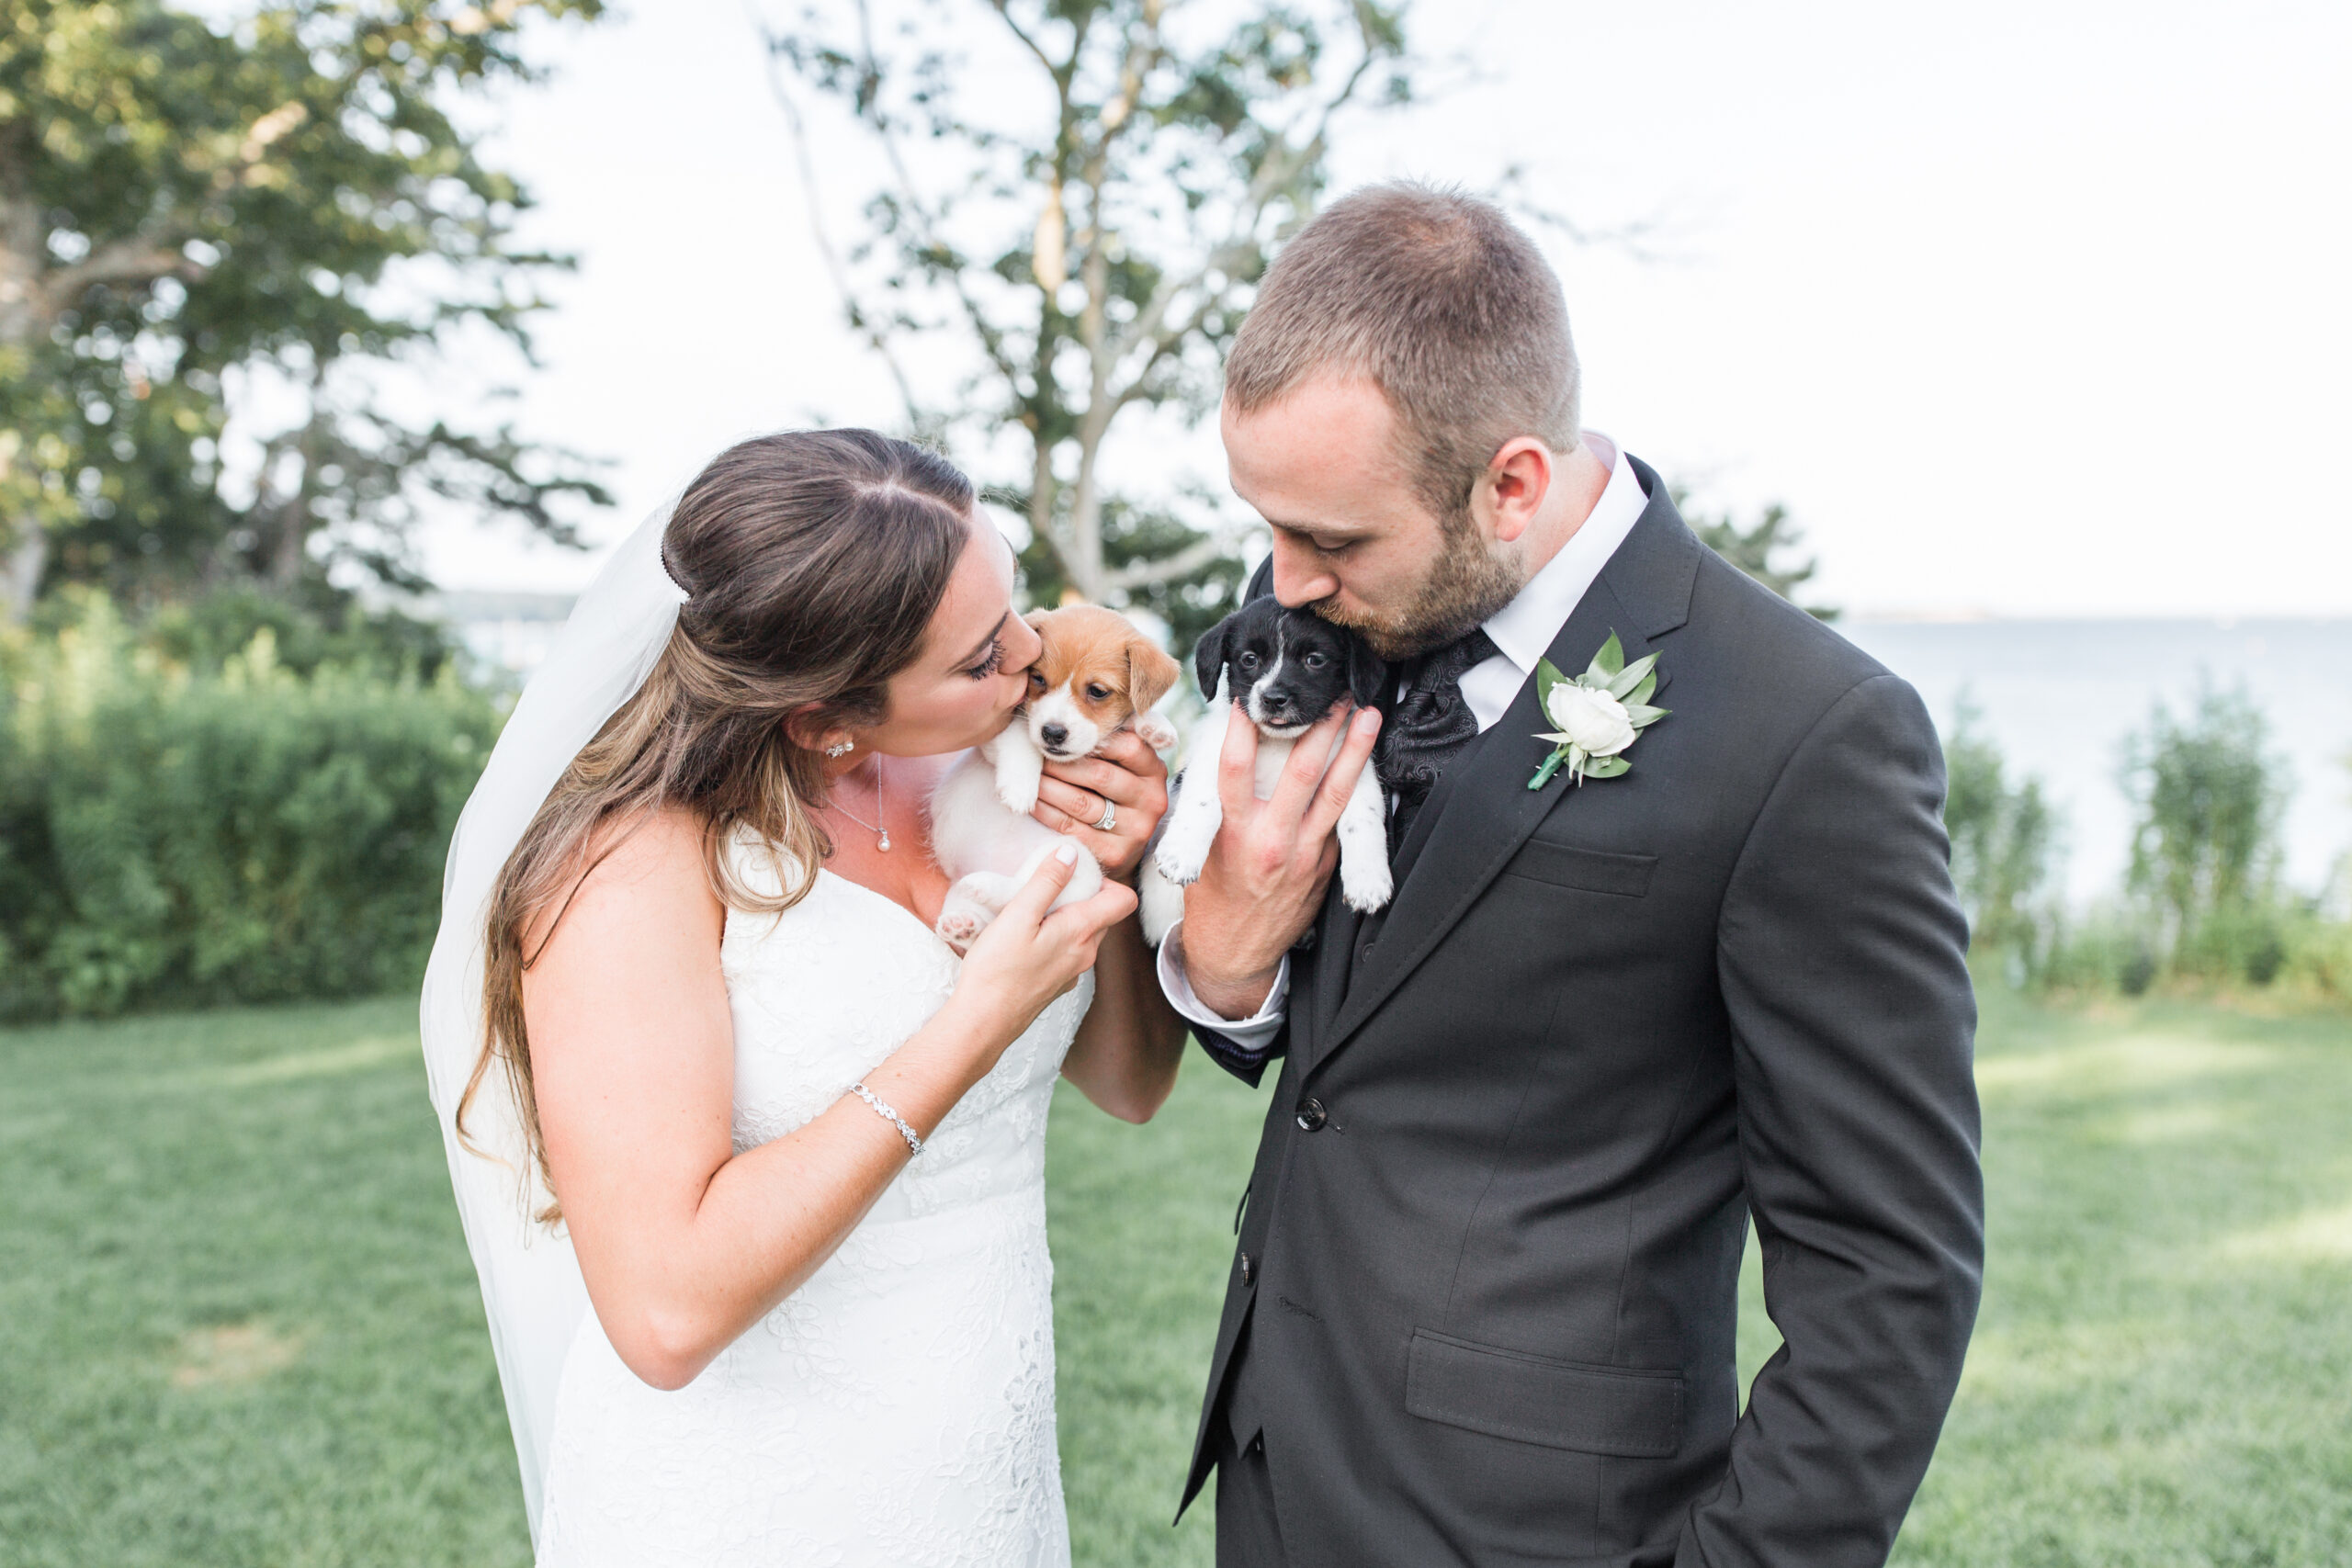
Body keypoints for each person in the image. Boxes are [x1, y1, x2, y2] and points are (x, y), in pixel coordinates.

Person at [1158, 184, 1984, 1566]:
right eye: (1269, 527)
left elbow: (1889, 1273)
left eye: (1332, 541)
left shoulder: (1806, 732)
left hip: (1547, 1530)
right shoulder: (1356, 602)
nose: (1281, 584)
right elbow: (1354, 1046)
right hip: (1279, 1476)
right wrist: (1222, 966)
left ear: (1513, 482)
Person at [418, 429, 1185, 1566]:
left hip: (985, 1455)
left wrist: (1114, 863)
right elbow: (666, 1314)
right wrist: (971, 1021)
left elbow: (1129, 1084)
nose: (1031, 659)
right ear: (825, 717)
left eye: (1014, 606)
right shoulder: (627, 870)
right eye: (981, 658)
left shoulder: (986, 771)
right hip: (753, 1498)